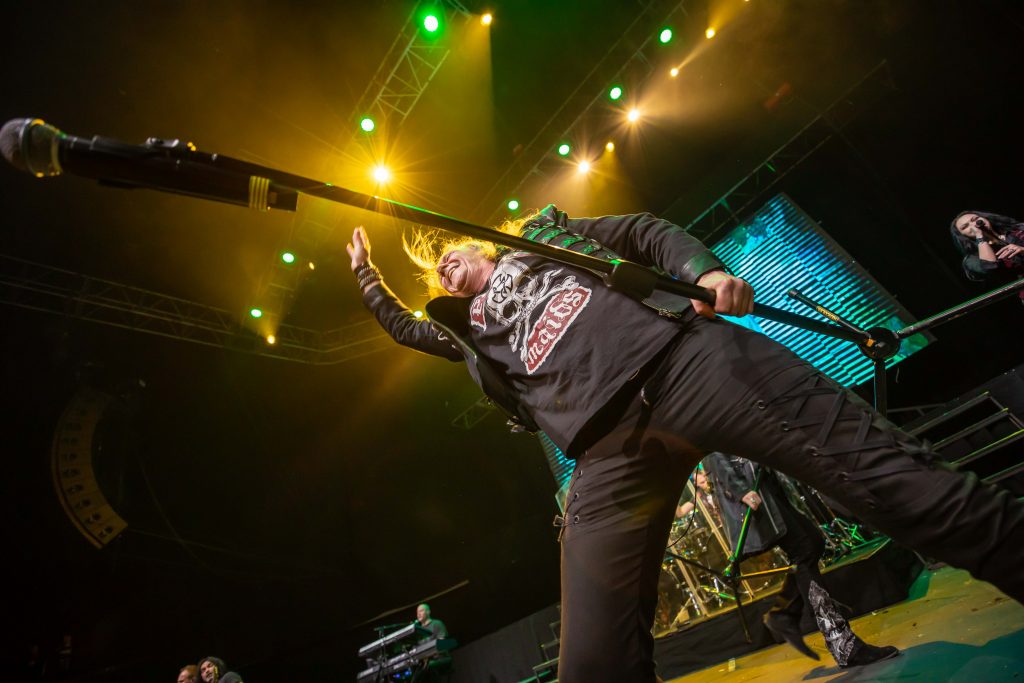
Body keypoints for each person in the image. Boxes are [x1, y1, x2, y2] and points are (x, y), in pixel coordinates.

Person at [348, 205, 1024, 682]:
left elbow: (644, 231)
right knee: (592, 665)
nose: (444, 271)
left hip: (689, 363)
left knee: (904, 488)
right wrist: (367, 277)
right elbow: (405, 328)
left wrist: (703, 270)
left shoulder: (540, 238)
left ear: (480, 247)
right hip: (606, 448)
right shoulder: (466, 327)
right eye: (435, 275)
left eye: (448, 256)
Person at [702, 452, 898, 666]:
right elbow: (712, 447)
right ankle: (842, 643)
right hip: (752, 488)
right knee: (804, 548)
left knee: (813, 542)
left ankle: (784, 613)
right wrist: (740, 489)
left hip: (766, 483)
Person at [949, 210, 1024, 289]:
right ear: (962, 235)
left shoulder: (1018, 230)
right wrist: (980, 236)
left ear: (985, 218)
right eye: (965, 227)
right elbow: (992, 268)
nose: (974, 224)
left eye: (975, 219)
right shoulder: (972, 259)